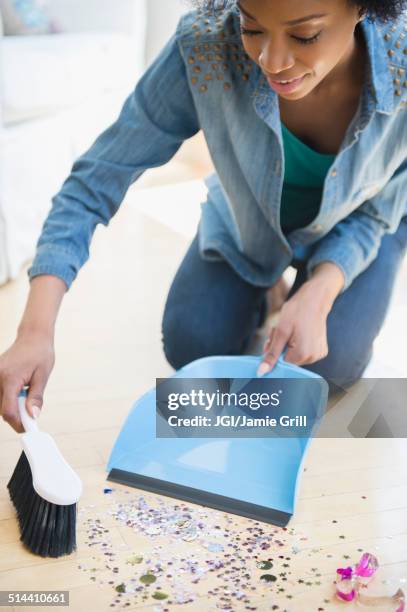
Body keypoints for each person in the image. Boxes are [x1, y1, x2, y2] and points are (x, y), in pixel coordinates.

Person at [0, 0, 406, 433]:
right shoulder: (207, 44)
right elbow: (95, 181)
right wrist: (34, 331)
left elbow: (386, 204)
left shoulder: (401, 64)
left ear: (364, 7)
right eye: (252, 28)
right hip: (246, 220)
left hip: (363, 222)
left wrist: (324, 285)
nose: (272, 60)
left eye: (304, 36)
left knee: (330, 370)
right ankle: (266, 280)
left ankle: (296, 284)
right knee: (193, 345)